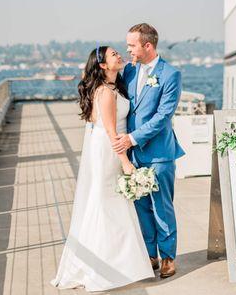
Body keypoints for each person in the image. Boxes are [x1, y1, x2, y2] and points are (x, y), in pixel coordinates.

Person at [51, 46, 154, 292]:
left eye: (119, 52)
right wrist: (125, 162)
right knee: (107, 203)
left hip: (106, 148)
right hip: (108, 150)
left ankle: (115, 264)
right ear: (103, 66)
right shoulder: (106, 93)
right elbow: (111, 132)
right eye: (114, 55)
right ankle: (103, 268)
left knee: (109, 203)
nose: (119, 56)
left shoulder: (112, 88)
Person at [112, 23, 185, 279]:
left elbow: (163, 116)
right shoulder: (129, 71)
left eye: (131, 45)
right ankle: (149, 254)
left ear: (147, 45)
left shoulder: (170, 75)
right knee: (141, 206)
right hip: (134, 156)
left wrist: (132, 138)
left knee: (162, 207)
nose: (128, 49)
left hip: (159, 153)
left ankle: (167, 257)